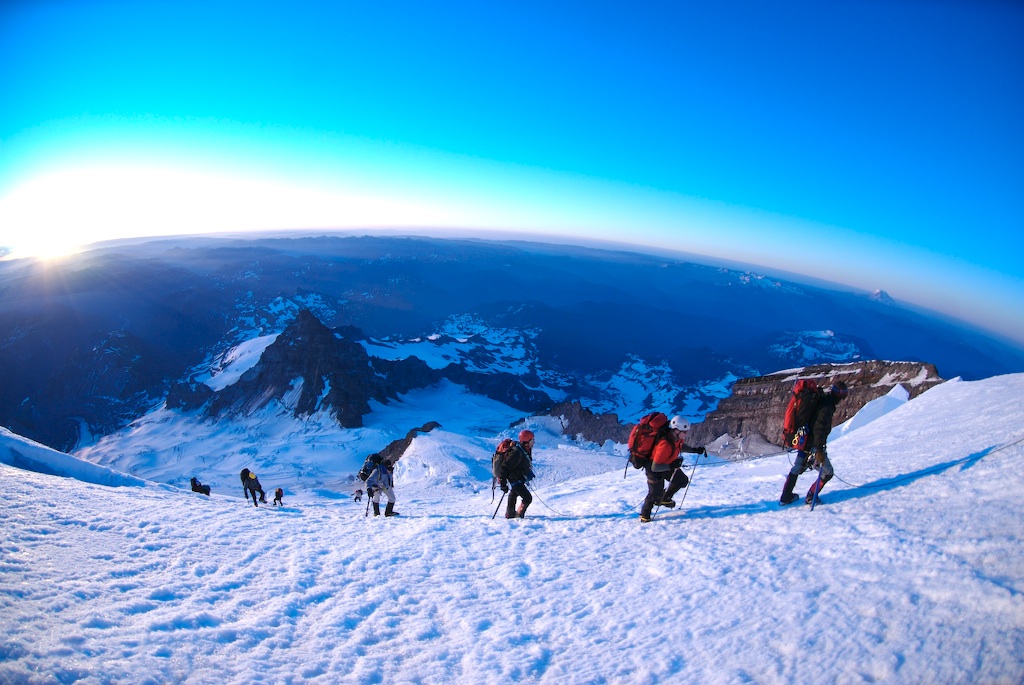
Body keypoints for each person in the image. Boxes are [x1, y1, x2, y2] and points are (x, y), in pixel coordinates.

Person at [779, 380, 849, 505]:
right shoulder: (827, 407)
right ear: (840, 395)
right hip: (813, 445)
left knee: (797, 468)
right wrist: (819, 450)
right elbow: (819, 428)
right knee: (828, 472)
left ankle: (786, 496)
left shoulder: (821, 400)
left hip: (804, 440)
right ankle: (811, 496)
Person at [639, 416, 706, 522]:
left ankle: (665, 498)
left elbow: (680, 446)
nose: (686, 434)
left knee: (681, 480)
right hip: (654, 470)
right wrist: (672, 466)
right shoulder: (664, 444)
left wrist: (694, 450)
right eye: (684, 431)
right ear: (676, 430)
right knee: (654, 495)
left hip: (667, 465)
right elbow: (655, 467)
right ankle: (645, 515)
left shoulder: (676, 438)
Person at [497, 429, 536, 519]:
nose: (533, 442)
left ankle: (510, 514)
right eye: (532, 440)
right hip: (515, 479)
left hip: (518, 478)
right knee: (527, 498)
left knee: (514, 493)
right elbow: (504, 467)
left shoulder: (524, 450)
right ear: (526, 441)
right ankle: (518, 515)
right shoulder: (516, 453)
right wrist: (503, 483)